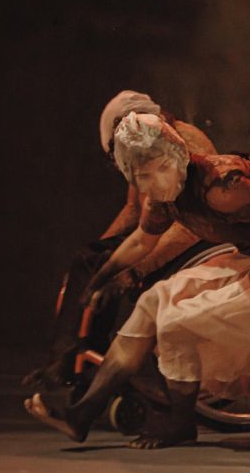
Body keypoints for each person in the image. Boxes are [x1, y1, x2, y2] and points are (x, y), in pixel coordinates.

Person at [25, 112, 250, 449]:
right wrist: (100, 280)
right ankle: (83, 412)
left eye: (161, 166)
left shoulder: (222, 187)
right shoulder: (162, 197)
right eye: (145, 175)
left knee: (176, 323)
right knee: (151, 303)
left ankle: (181, 421)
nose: (157, 180)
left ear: (176, 154)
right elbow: (142, 241)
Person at [23, 91, 215, 388]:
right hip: (161, 228)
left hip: (190, 237)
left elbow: (192, 225)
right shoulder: (142, 147)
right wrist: (101, 251)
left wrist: (139, 268)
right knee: (90, 260)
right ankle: (72, 358)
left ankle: (74, 361)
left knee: (107, 269)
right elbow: (135, 209)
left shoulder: (181, 144)